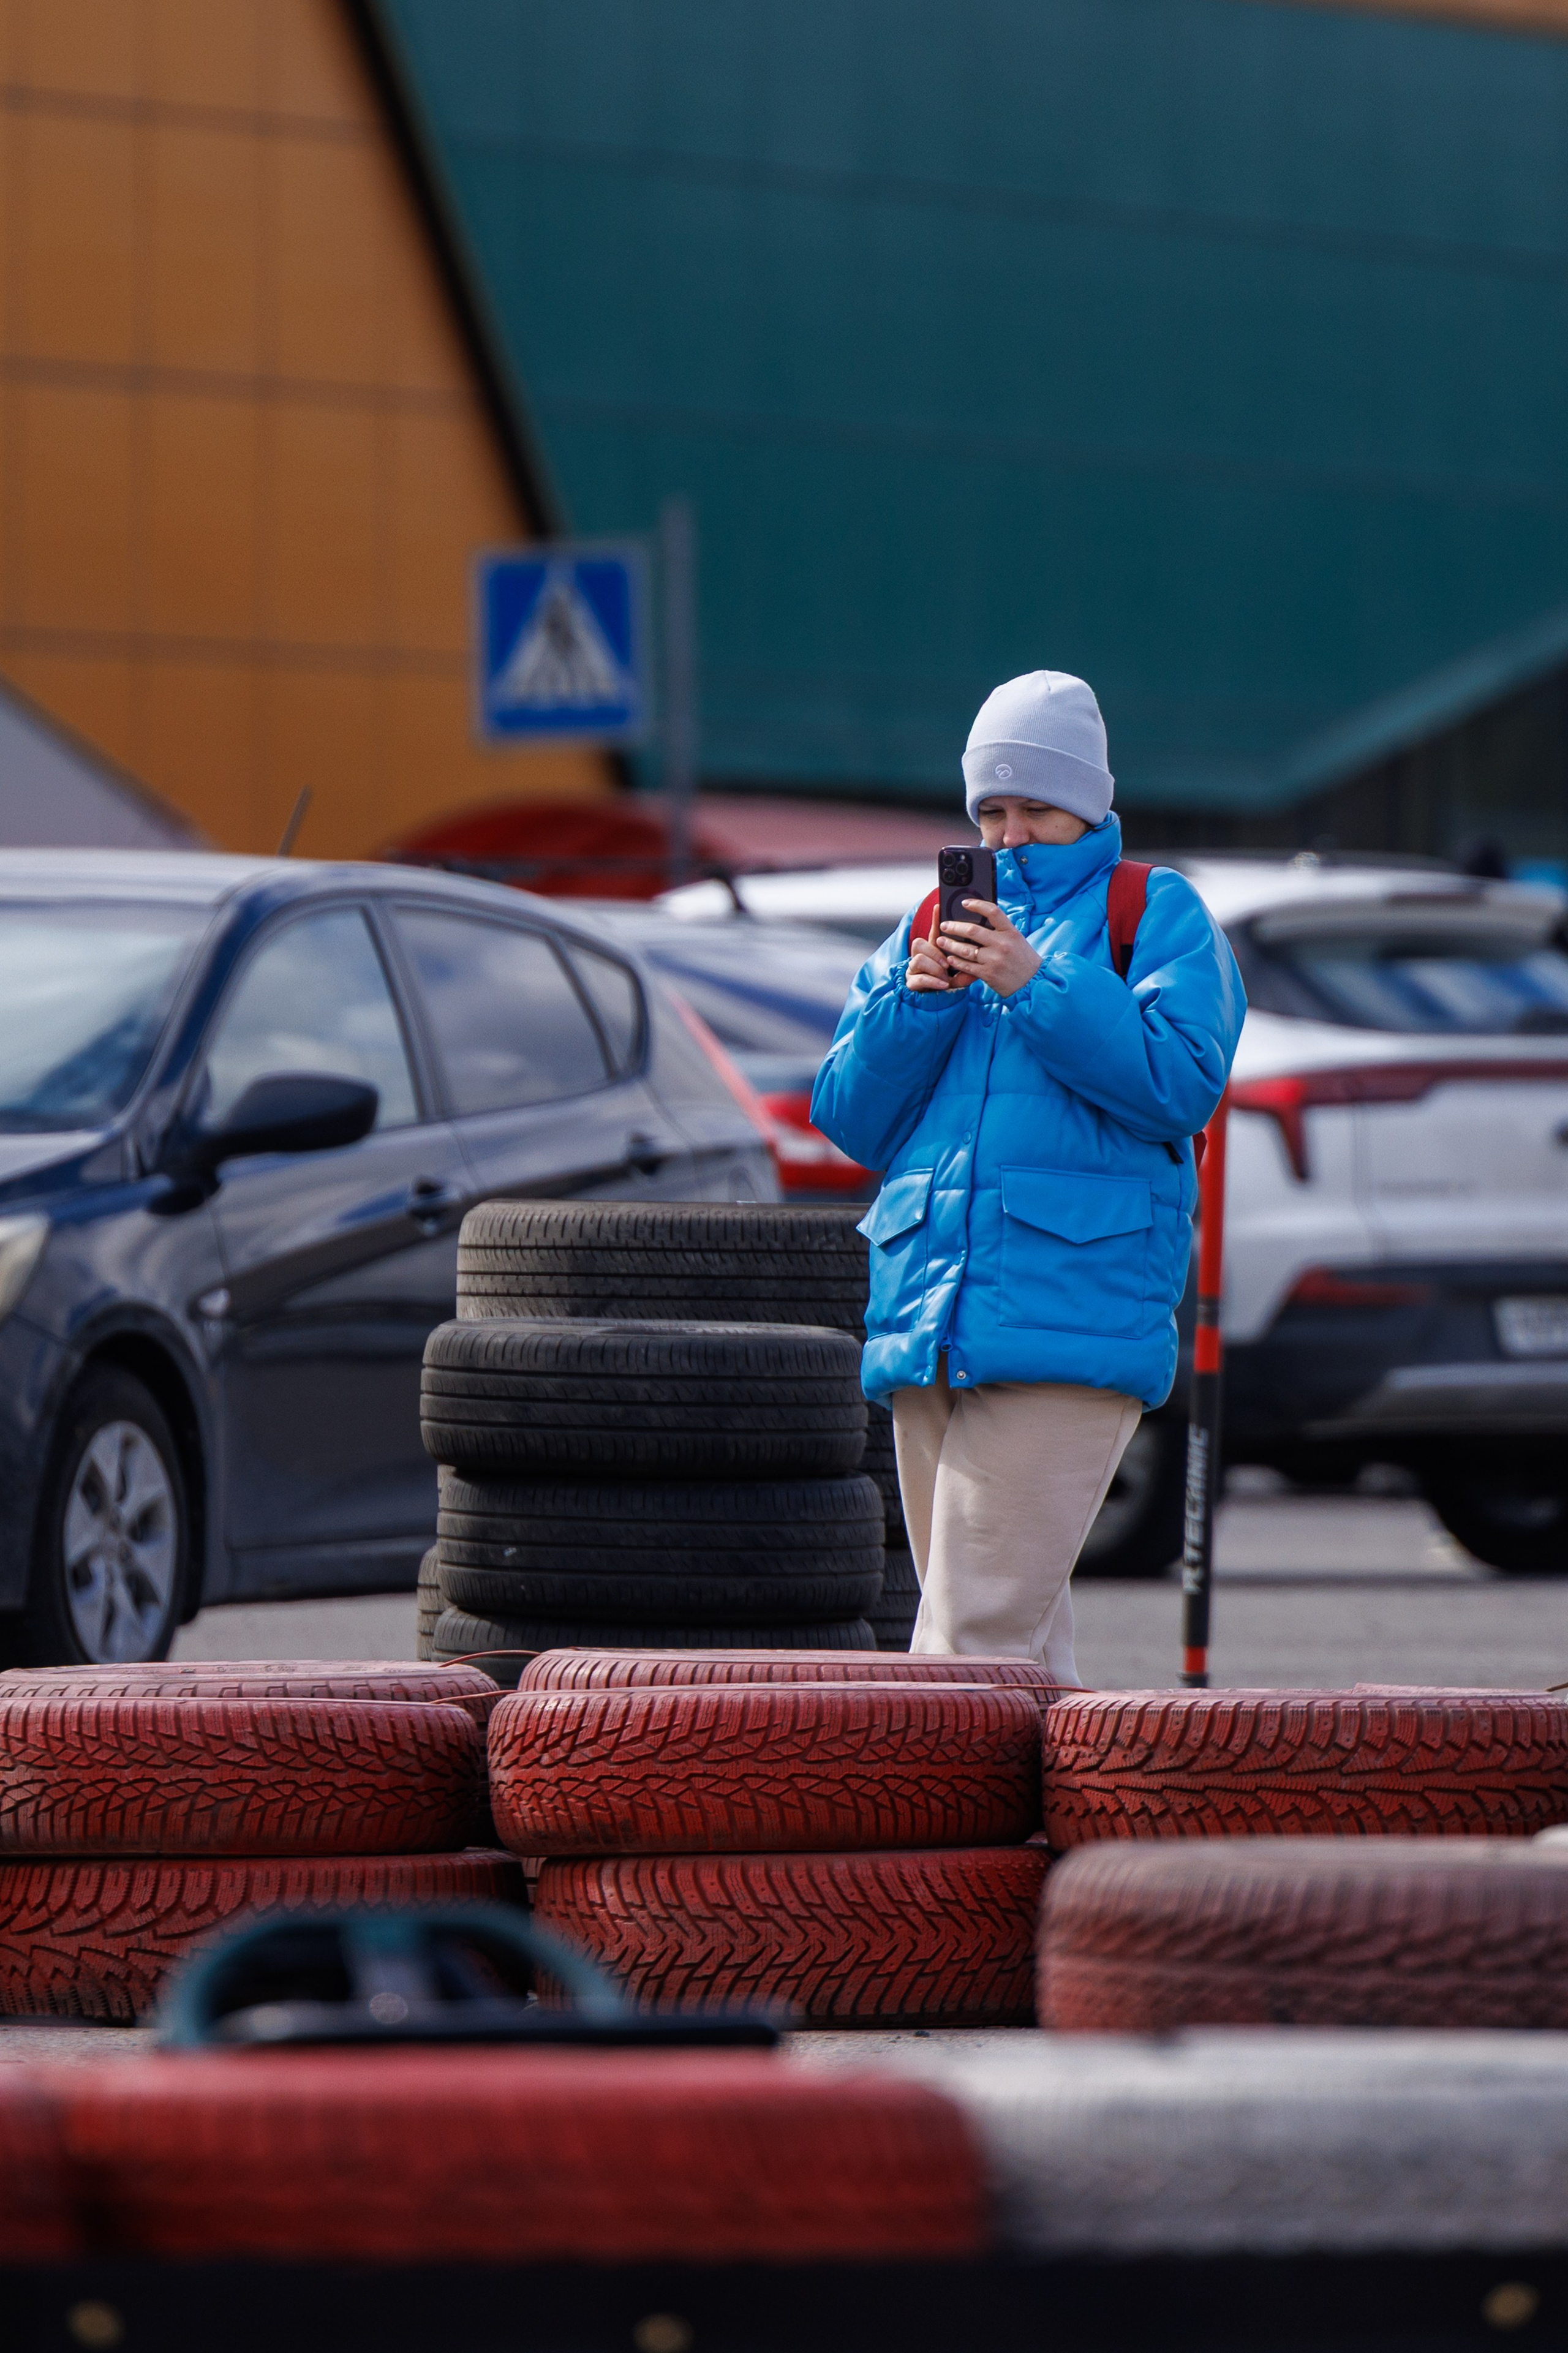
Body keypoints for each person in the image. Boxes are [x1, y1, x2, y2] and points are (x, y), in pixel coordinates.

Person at [811, 671, 1244, 1682]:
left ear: (1090, 804)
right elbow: (850, 1117)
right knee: (1013, 1654)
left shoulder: (1157, 913)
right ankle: (1048, 1839)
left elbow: (1179, 1084)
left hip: (1072, 1315)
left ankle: (913, 1834)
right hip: (931, 1317)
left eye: (1036, 807)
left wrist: (1036, 982)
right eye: (991, 809)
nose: (1010, 833)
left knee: (962, 1647)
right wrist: (915, 1005)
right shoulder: (930, 920)